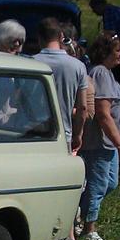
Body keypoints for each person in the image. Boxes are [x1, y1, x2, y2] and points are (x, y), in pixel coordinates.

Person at [79, 33, 120, 240]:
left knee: (110, 183)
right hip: (100, 142)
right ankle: (89, 229)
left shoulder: (107, 73)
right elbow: (103, 113)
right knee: (98, 185)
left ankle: (79, 214)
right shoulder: (100, 72)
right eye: (118, 50)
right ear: (106, 51)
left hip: (108, 143)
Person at [33, 17, 89, 152]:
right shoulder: (78, 66)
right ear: (61, 36)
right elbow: (82, 108)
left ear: (39, 37)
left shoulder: (30, 63)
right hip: (63, 134)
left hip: (33, 133)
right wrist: (78, 134)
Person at [89, 0, 120, 99]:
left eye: (94, 9)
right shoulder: (118, 9)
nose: (94, 12)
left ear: (99, 5)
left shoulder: (109, 13)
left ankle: (118, 95)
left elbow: (109, 35)